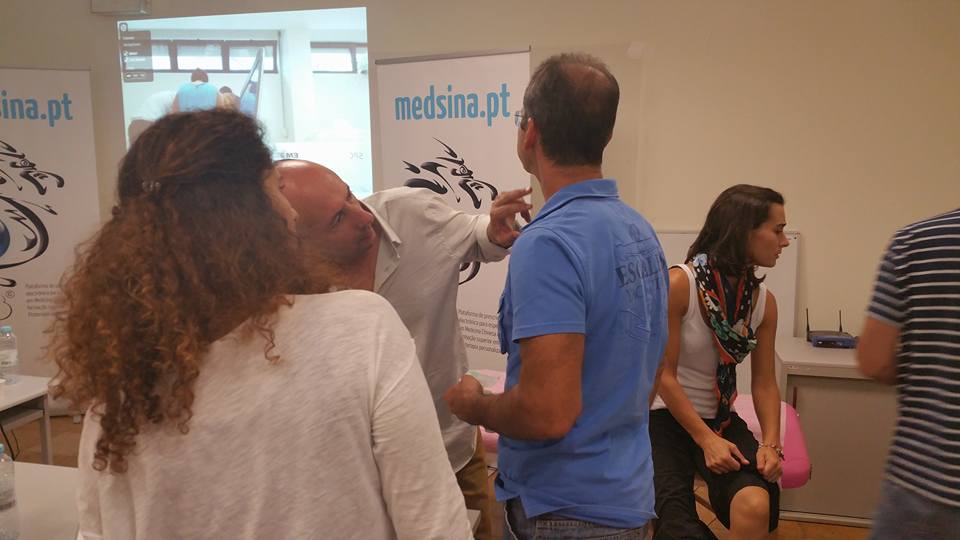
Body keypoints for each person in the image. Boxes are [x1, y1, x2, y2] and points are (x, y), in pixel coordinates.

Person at [49, 109, 472, 540]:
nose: (291, 211)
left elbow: (97, 532)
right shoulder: (362, 329)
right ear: (250, 217)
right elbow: (436, 526)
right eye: (274, 188)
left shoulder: (121, 391)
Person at [444, 52, 668, 539]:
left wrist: (476, 405)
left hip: (564, 512)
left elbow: (547, 412)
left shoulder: (548, 244)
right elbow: (646, 373)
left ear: (531, 133)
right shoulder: (640, 231)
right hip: (627, 496)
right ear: (606, 134)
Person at [276, 159, 532, 540]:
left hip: (450, 448)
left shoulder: (411, 214)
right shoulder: (284, 293)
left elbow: (477, 235)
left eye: (350, 195)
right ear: (297, 245)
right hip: (358, 477)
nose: (364, 217)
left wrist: (494, 232)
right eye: (337, 219)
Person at [649, 185, 788, 540]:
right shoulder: (679, 284)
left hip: (720, 418)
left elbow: (764, 383)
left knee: (756, 503)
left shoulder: (763, 302)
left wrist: (771, 445)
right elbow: (663, 376)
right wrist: (706, 440)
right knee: (677, 525)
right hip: (663, 418)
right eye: (777, 230)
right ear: (744, 232)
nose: (784, 241)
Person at [857, 207, 960, 540]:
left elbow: (874, 361)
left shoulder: (915, 241)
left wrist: (932, 370)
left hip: (927, 477)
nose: (785, 241)